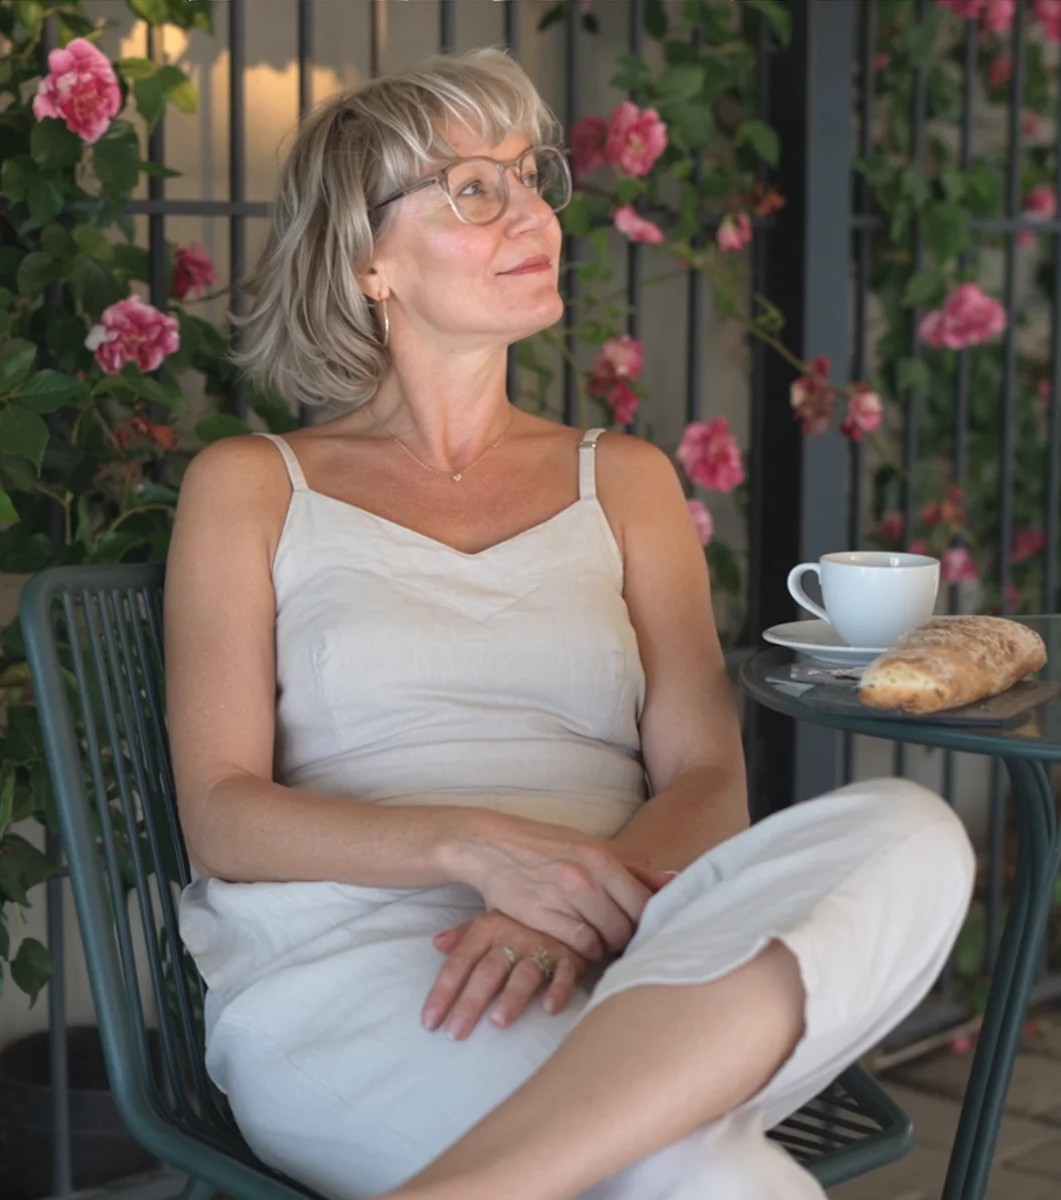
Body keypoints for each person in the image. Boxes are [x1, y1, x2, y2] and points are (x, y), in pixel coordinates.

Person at [167, 48, 975, 1200]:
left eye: (530, 176)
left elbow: (706, 780)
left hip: (638, 940)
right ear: (366, 261)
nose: (532, 210)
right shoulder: (253, 485)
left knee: (911, 830)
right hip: (376, 966)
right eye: (472, 188)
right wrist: (475, 851)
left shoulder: (627, 480)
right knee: (706, 1175)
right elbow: (225, 817)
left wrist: (576, 907)